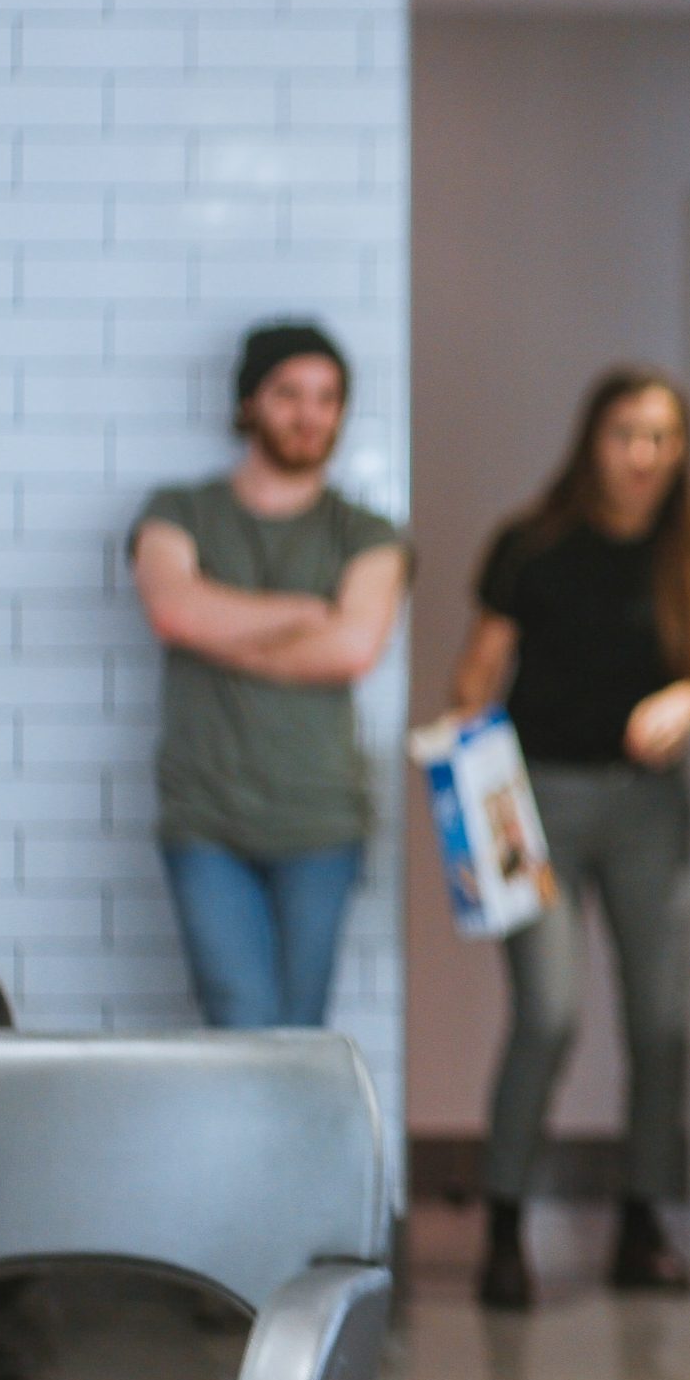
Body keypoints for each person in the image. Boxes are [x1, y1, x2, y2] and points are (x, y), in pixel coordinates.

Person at [450, 368, 690, 1310]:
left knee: (661, 1023)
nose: (645, 456)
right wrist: (471, 814)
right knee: (548, 1012)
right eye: (628, 433)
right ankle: (504, 1226)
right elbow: (474, 683)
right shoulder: (531, 545)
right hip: (534, 800)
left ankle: (643, 1225)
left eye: (663, 437)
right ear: (593, 440)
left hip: (647, 807)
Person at [130, 322, 408, 1029]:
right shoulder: (178, 511)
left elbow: (351, 648)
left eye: (326, 397)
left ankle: (299, 1148)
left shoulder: (369, 532)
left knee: (298, 1033)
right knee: (239, 1014)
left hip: (320, 822)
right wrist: (301, 612)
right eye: (289, 393)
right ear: (250, 401)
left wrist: (220, 627)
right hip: (205, 819)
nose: (309, 414)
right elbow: (172, 610)